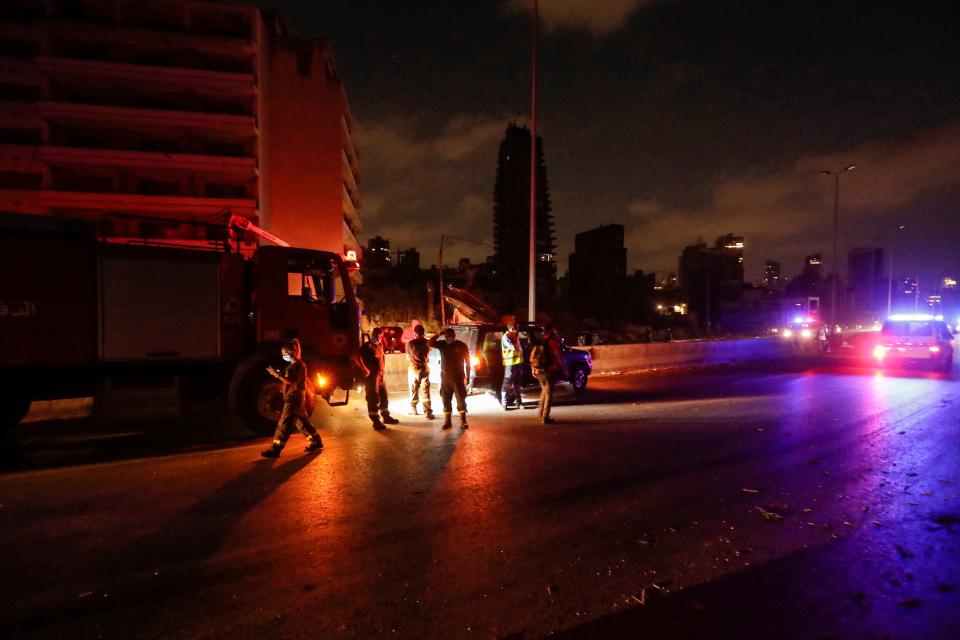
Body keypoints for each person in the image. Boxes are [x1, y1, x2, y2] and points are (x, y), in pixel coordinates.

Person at [261, 338, 324, 457]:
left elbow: (291, 381)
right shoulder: (294, 364)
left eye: (284, 353)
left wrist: (277, 374)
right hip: (295, 396)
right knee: (302, 421)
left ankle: (276, 448)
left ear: (292, 352)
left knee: (285, 423)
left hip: (294, 398)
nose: (283, 355)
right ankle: (316, 441)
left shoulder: (298, 365)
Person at [356, 327, 400, 430]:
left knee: (383, 396)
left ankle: (386, 415)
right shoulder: (367, 346)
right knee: (373, 397)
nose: (379, 338)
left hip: (380, 375)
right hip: (372, 376)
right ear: (374, 335)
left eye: (380, 336)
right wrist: (365, 369)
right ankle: (375, 420)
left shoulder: (379, 345)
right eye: (377, 336)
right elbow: (356, 357)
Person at [428, 327, 471, 429]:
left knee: (461, 399)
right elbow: (429, 343)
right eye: (446, 337)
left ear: (454, 336)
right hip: (445, 378)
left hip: (458, 378)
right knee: (445, 400)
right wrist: (438, 333)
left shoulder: (461, 345)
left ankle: (463, 421)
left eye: (450, 337)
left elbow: (468, 362)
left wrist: (467, 376)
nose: (448, 339)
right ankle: (447, 421)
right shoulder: (442, 344)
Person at [530, 324, 566, 424]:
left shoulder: (540, 341)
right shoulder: (552, 342)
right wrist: (565, 369)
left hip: (539, 371)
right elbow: (558, 356)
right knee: (549, 394)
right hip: (548, 371)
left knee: (544, 392)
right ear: (551, 331)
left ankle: (541, 413)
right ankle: (545, 416)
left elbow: (532, 355)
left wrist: (533, 368)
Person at [406, 324, 434, 418]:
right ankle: (427, 412)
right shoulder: (427, 343)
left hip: (413, 368)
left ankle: (413, 409)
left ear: (415, 333)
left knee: (413, 390)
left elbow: (408, 356)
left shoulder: (411, 343)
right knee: (425, 390)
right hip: (424, 368)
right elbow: (429, 352)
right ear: (423, 332)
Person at [499, 320, 524, 410]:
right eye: (516, 328)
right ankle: (504, 404)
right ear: (512, 328)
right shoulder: (506, 337)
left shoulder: (515, 336)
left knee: (517, 383)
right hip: (509, 363)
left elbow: (519, 348)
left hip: (517, 362)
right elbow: (513, 347)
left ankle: (519, 402)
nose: (518, 329)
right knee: (506, 383)